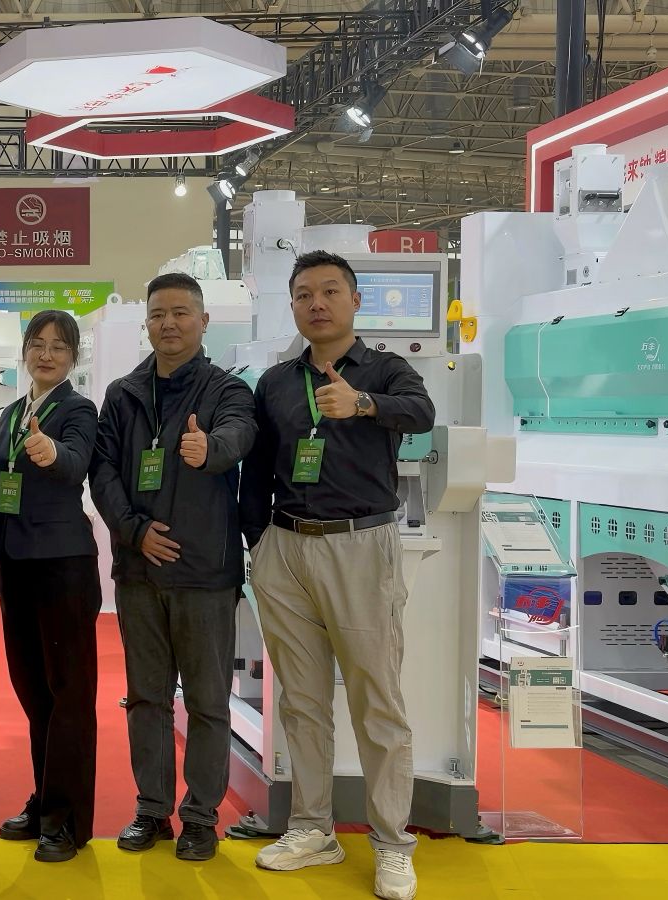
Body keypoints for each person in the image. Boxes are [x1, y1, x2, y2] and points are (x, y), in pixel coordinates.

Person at [239, 251, 434, 900]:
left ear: (354, 300)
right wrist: (257, 540)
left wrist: (363, 405)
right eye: (304, 294)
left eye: (329, 291)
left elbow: (422, 412)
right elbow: (258, 466)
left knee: (377, 701)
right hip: (286, 549)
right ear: (293, 306)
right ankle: (311, 828)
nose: (316, 303)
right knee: (301, 701)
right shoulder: (275, 382)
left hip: (361, 546)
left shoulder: (386, 370)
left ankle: (393, 844)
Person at [90, 272, 256, 862]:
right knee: (146, 698)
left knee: (208, 702)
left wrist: (209, 450)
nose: (169, 324)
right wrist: (134, 531)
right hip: (140, 572)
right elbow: (102, 470)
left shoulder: (227, 390)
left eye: (181, 313)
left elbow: (240, 435)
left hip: (205, 573)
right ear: (147, 323)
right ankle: (152, 809)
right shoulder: (123, 395)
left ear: (204, 321)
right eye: (159, 313)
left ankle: (201, 816)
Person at [0, 310, 100, 863]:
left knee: (70, 695)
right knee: (34, 692)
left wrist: (52, 453)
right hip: (17, 564)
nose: (47, 354)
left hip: (63, 565)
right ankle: (43, 800)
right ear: (25, 351)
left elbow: (76, 461)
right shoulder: (13, 412)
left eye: (59, 346)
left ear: (73, 356)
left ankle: (67, 820)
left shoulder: (79, 409)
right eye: (38, 344)